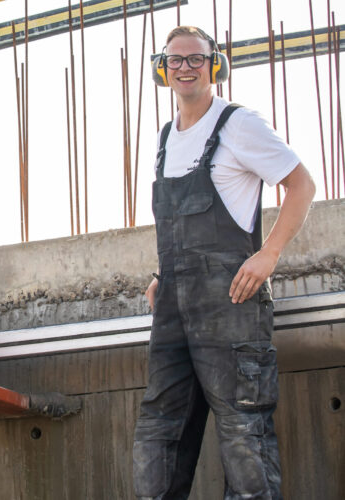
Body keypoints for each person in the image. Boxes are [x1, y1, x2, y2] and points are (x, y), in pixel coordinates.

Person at [133, 27, 315, 499]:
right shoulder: (165, 138)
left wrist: (268, 254)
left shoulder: (237, 124)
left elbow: (301, 185)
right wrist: (162, 275)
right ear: (162, 70)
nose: (186, 67)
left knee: (242, 434)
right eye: (175, 60)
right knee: (159, 432)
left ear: (216, 65)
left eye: (197, 58)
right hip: (174, 307)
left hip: (231, 305)